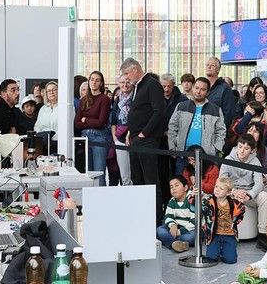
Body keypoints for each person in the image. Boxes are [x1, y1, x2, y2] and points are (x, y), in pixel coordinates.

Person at [121, 58, 166, 222]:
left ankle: (154, 219)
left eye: (126, 73)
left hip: (146, 140)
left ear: (134, 69)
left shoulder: (152, 84)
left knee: (150, 180)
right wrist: (131, 132)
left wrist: (144, 133)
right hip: (135, 138)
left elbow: (158, 112)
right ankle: (141, 215)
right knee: (137, 178)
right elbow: (139, 112)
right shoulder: (139, 86)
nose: (126, 78)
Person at [219, 134, 267, 249]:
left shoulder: (255, 161)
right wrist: (233, 191)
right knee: (220, 193)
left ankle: (263, 235)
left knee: (265, 197)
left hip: (249, 192)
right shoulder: (228, 160)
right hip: (231, 192)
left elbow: (259, 183)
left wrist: (250, 195)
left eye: (246, 148)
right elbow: (221, 181)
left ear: (252, 150)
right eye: (240, 146)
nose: (242, 151)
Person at [167, 76, 226, 174]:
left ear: (208, 92)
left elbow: (221, 131)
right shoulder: (181, 106)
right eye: (197, 88)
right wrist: (173, 148)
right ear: (193, 88)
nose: (198, 91)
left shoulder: (215, 109)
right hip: (183, 154)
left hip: (207, 156)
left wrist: (216, 148)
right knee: (182, 185)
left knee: (206, 187)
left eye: (203, 89)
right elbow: (172, 127)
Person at [74, 71, 111, 184]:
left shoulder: (104, 99)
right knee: (88, 175)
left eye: (97, 80)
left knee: (99, 174)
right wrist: (88, 121)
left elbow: (101, 122)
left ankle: (102, 201)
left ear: (101, 83)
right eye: (92, 79)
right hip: (84, 137)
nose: (94, 82)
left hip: (99, 136)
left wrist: (86, 119)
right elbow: (77, 123)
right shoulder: (83, 100)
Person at [202, 177, 244, 264]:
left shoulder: (233, 203)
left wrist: (240, 205)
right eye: (216, 187)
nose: (217, 190)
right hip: (214, 235)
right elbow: (195, 207)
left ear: (228, 192)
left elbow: (241, 213)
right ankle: (217, 250)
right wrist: (193, 196)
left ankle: (224, 251)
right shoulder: (209, 201)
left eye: (221, 188)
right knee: (211, 258)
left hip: (229, 234)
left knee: (231, 260)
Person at [157, 175, 196, 253]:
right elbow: (168, 216)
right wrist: (172, 225)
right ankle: (176, 244)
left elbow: (194, 221)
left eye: (176, 185)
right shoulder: (172, 201)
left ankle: (171, 242)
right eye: (171, 187)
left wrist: (178, 232)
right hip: (175, 228)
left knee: (191, 237)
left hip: (189, 229)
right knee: (159, 230)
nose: (173, 189)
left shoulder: (192, 199)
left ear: (185, 188)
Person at [204, 56, 237, 125]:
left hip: (216, 130)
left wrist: (221, 132)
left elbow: (228, 114)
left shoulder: (225, 88)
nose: (209, 67)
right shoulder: (202, 86)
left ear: (218, 69)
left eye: (212, 65)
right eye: (207, 65)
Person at [32, 81, 59, 150]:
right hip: (42, 144)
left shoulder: (64, 108)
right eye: (49, 91)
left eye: (54, 90)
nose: (51, 92)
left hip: (58, 143)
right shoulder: (43, 109)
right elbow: (37, 126)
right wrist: (41, 137)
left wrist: (51, 139)